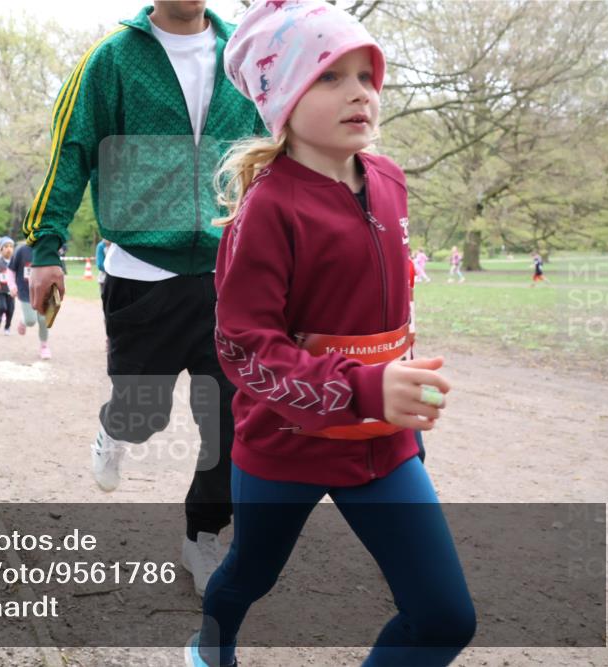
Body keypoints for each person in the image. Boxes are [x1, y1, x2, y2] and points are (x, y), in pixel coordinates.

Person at [185, 3, 475, 666]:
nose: (360, 93)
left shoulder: (392, 180)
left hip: (386, 443)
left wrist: (395, 378)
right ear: (282, 98)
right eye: (330, 77)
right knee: (249, 575)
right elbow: (244, 349)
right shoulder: (266, 210)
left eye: (366, 76)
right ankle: (212, 643)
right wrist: (365, 384)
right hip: (286, 446)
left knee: (444, 617)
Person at [22, 0, 263, 596]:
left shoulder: (245, 57)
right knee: (144, 415)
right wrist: (46, 249)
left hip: (229, 271)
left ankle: (202, 536)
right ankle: (115, 430)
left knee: (231, 419)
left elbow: (281, 148)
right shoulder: (112, 59)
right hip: (142, 271)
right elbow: (71, 150)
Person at [8, 241, 51, 359]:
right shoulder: (21, 250)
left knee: (43, 319)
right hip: (25, 291)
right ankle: (24, 321)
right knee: (31, 321)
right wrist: (12, 285)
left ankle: (44, 346)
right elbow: (11, 270)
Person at [0, 238, 16, 334]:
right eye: (6, 247)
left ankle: (7, 327)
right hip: (0, 290)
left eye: (11, 247)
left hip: (11, 291)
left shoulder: (15, 262)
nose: (8, 249)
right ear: (1, 249)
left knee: (11, 310)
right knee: (2, 307)